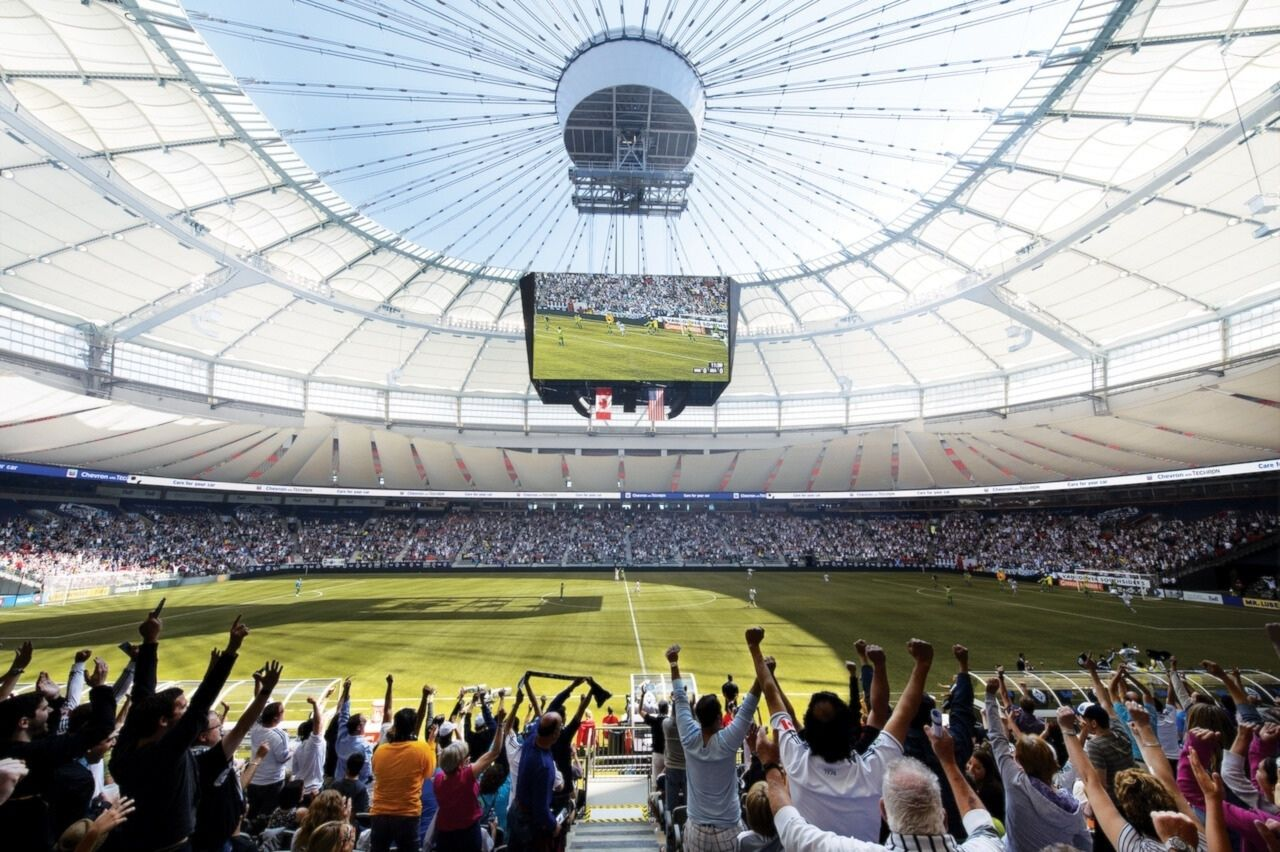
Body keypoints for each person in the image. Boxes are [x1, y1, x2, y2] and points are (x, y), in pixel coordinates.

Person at [746, 628, 933, 839]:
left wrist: (755, 649)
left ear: (807, 731)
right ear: (850, 729)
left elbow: (772, 697)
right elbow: (901, 713)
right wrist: (921, 664)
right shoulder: (872, 768)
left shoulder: (796, 761)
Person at [108, 612, 247, 852]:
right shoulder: (164, 753)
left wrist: (150, 641)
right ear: (163, 721)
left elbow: (143, 690)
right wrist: (231, 650)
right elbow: (201, 705)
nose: (187, 710)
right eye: (181, 708)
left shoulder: (129, 742)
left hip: (134, 841)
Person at [756, 721, 1004, 852]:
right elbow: (982, 823)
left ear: (883, 811)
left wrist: (770, 766)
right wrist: (949, 762)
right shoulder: (987, 846)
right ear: (945, 819)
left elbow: (792, 831)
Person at [0, 655, 115, 850]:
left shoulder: (15, 747)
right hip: (33, 836)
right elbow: (101, 729)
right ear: (24, 722)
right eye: (44, 709)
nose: (51, 712)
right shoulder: (38, 753)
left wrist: (54, 699)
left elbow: (48, 736)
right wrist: (99, 687)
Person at [666, 642, 761, 852]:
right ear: (719, 718)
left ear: (698, 717)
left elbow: (680, 698)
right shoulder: (727, 741)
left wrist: (674, 663)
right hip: (728, 830)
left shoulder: (689, 737)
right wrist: (763, 668)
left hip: (696, 831)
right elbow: (749, 706)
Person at [983, 677, 1092, 852]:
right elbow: (1086, 844)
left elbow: (997, 739)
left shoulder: (1015, 782)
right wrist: (1072, 730)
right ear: (1053, 764)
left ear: (1020, 762)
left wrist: (989, 696)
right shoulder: (1071, 804)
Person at [191, 661, 284, 852]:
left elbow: (237, 786)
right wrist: (266, 690)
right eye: (217, 727)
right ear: (203, 736)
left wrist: (257, 759)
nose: (222, 729)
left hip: (222, 838)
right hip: (214, 843)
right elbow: (241, 728)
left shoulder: (203, 760)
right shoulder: (206, 759)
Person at [369, 707, 437, 852]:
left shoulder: (380, 751)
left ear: (395, 726)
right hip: (407, 815)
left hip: (380, 814)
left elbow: (375, 771)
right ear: (413, 727)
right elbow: (429, 773)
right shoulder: (422, 749)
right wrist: (431, 744)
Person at [433, 726, 504, 851]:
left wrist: (462, 763)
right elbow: (495, 752)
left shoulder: (438, 778)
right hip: (468, 835)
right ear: (460, 764)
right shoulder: (466, 776)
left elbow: (448, 768)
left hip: (444, 835)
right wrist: (499, 725)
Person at [507, 711, 564, 852]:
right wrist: (554, 825)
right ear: (555, 734)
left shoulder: (531, 739)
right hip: (528, 823)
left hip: (516, 810)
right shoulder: (544, 767)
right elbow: (541, 809)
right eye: (560, 728)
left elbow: (540, 719)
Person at [247, 682, 292, 819]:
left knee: (252, 815)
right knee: (266, 817)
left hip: (253, 780)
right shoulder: (280, 735)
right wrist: (292, 751)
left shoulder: (256, 726)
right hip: (272, 783)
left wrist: (258, 682)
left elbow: (258, 700)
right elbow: (282, 758)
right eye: (282, 711)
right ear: (275, 717)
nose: (284, 712)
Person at [334, 678, 373, 784]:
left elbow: (344, 713)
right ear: (358, 727)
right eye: (364, 721)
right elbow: (366, 770)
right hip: (356, 785)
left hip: (339, 783)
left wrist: (347, 690)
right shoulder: (365, 746)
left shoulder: (342, 736)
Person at [328, 753, 369, 825]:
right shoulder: (361, 789)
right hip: (352, 824)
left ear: (347, 766)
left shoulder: (335, 784)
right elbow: (361, 813)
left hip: (333, 823)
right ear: (360, 769)